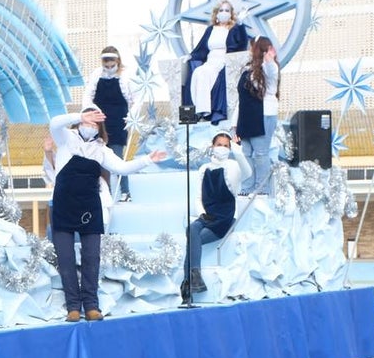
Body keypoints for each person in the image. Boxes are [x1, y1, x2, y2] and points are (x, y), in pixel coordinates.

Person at [49, 108, 167, 322]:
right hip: (63, 205)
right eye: (87, 121)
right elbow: (55, 122)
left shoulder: (101, 149)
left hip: (89, 207)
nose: (89, 126)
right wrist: (78, 116)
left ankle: (91, 305)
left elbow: (122, 168)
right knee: (65, 258)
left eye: (95, 124)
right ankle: (73, 307)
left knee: (91, 257)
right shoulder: (66, 138)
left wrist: (147, 160)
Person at [182, 130, 251, 301]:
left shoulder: (233, 167)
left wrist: (237, 151)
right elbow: (198, 196)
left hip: (224, 218)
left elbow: (248, 172)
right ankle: (195, 278)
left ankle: (187, 285)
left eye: (226, 145)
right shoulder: (204, 169)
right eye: (219, 145)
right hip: (207, 216)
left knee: (192, 240)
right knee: (192, 229)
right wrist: (202, 214)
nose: (222, 148)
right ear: (212, 146)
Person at [187, 0, 250, 127]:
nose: (224, 12)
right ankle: (201, 109)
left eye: (227, 10)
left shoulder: (234, 28)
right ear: (216, 13)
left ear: (231, 13)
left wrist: (241, 24)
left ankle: (206, 110)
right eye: (221, 10)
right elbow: (202, 48)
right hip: (210, 60)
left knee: (205, 73)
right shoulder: (211, 29)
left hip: (224, 61)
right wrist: (190, 56)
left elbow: (242, 44)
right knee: (198, 72)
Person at [85, 46, 136, 200]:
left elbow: (134, 100)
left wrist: (131, 116)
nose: (109, 68)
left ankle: (125, 192)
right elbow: (88, 96)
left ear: (117, 61)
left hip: (119, 123)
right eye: (106, 66)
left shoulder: (126, 76)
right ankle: (103, 191)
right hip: (100, 123)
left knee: (118, 157)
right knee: (99, 158)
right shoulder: (96, 75)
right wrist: (90, 113)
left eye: (111, 65)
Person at [235, 36, 276, 194]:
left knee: (260, 153)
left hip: (262, 116)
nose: (249, 50)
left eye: (252, 47)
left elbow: (272, 77)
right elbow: (241, 99)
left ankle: (261, 188)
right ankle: (247, 187)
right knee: (246, 153)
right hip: (246, 116)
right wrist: (235, 124)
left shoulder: (268, 68)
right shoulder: (247, 70)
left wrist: (269, 61)